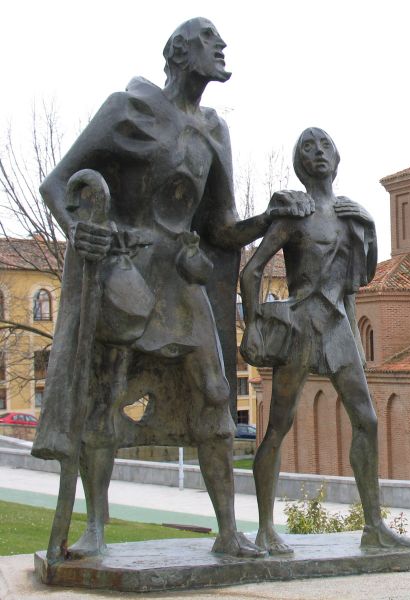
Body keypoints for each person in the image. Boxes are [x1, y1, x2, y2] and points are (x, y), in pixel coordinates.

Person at [32, 18, 311, 558]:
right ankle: (96, 528)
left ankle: (228, 532)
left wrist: (269, 217)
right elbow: (58, 184)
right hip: (125, 276)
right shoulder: (127, 109)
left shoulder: (215, 130)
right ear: (180, 52)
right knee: (107, 396)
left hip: (183, 282)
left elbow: (222, 227)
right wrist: (80, 231)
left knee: (214, 395)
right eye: (210, 39)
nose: (222, 46)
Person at [240, 127, 410, 555]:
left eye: (324, 145)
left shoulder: (349, 214)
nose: (317, 152)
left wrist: (369, 222)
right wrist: (251, 324)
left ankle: (373, 526)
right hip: (302, 325)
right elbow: (252, 271)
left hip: (339, 326)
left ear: (336, 158)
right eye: (308, 146)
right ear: (300, 162)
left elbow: (357, 280)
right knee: (279, 426)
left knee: (368, 421)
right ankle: (265, 528)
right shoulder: (294, 213)